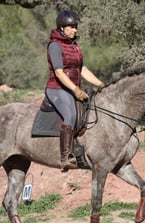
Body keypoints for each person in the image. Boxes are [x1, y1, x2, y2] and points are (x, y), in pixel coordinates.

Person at [45, 10, 105, 172]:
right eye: (71, 27)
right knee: (70, 115)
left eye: (76, 26)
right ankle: (65, 157)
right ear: (62, 28)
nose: (75, 30)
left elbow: (83, 70)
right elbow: (59, 73)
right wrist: (76, 89)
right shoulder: (54, 46)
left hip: (73, 89)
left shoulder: (75, 47)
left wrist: (101, 85)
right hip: (57, 88)